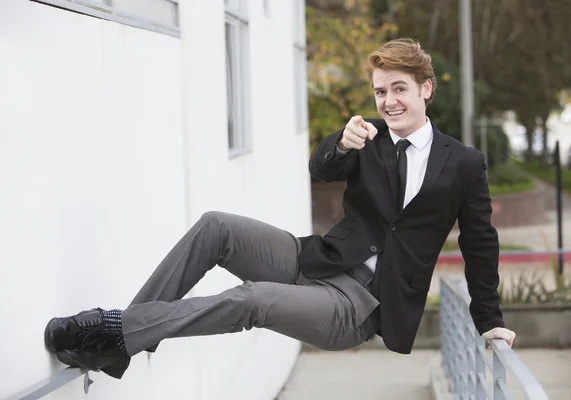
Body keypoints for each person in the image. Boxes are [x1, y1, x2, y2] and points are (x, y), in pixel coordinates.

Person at [44, 38, 515, 379]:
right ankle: (127, 337)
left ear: (425, 89)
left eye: (399, 89)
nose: (388, 101)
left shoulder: (464, 163)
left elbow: (480, 242)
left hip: (360, 304)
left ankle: (114, 332)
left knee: (253, 299)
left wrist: (490, 321)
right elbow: (319, 167)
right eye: (379, 92)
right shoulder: (367, 136)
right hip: (318, 259)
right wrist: (340, 143)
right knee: (216, 227)